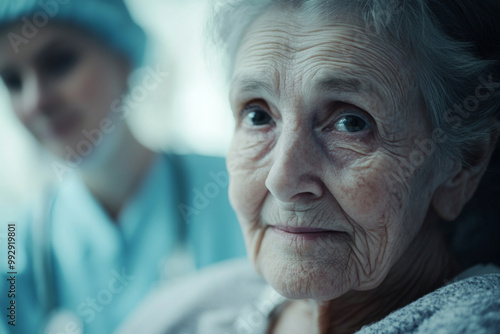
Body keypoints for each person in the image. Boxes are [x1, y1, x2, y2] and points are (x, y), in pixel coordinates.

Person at [115, 0, 500, 333]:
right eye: (258, 115)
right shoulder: (184, 310)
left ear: (464, 163)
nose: (281, 179)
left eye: (352, 122)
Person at [0, 1, 245, 333]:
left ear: (124, 61)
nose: (35, 101)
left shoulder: (240, 192)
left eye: (59, 63)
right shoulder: (15, 246)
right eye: (12, 81)